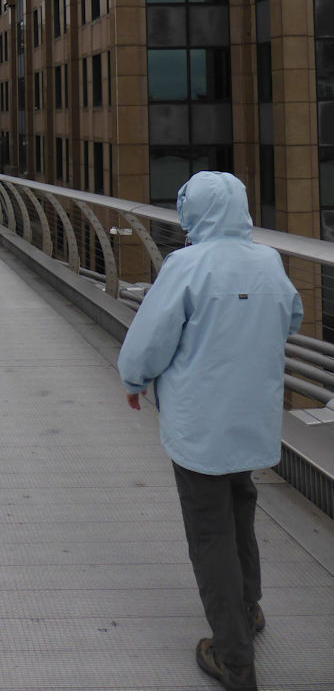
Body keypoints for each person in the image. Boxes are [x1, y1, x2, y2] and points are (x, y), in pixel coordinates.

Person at [117, 171, 303, 691]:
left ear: (192, 211)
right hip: (251, 419)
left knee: (210, 532)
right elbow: (292, 318)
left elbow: (151, 337)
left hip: (201, 424)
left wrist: (135, 379)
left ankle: (233, 655)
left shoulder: (187, 265)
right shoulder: (269, 260)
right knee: (241, 509)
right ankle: (248, 608)